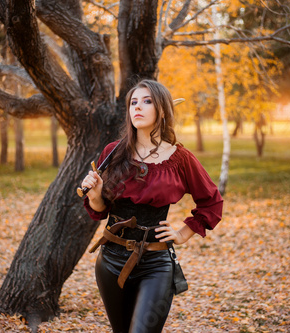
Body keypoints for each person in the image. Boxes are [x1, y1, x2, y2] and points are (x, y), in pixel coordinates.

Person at [81, 79, 223, 333]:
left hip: (155, 263)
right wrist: (94, 194)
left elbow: (211, 201)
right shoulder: (113, 153)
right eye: (133, 102)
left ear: (162, 110)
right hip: (111, 261)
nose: (138, 107)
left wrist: (182, 233)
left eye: (147, 101)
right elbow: (100, 210)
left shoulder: (180, 158)